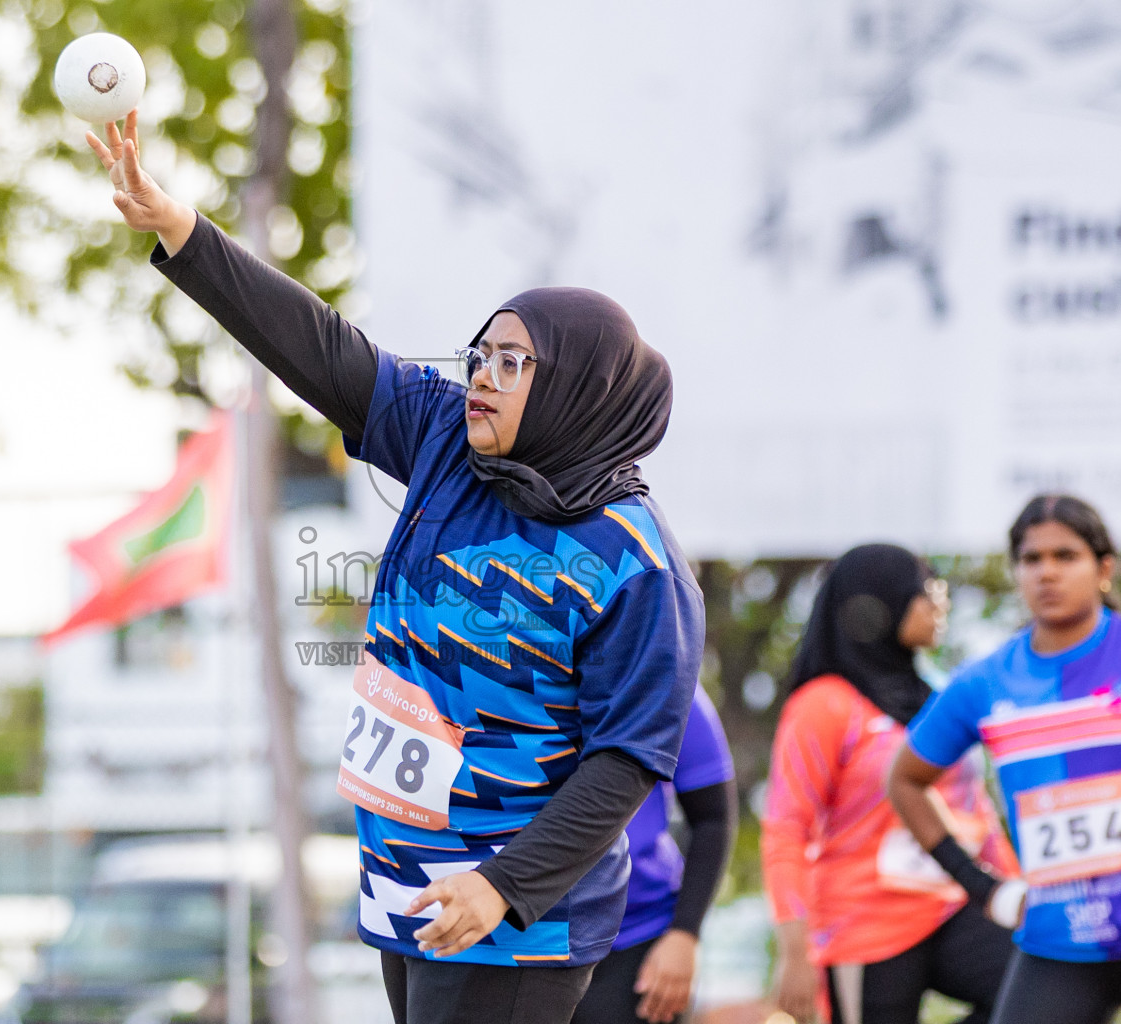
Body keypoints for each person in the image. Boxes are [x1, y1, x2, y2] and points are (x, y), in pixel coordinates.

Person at [86, 113, 705, 1024]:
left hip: (510, 915)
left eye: (513, 361)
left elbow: (627, 761)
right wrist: (183, 230)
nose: (482, 376)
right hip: (403, 887)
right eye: (479, 354)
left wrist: (503, 886)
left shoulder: (636, 563)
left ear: (578, 385)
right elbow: (323, 348)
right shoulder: (449, 442)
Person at [889, 494, 1121, 1024]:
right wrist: (989, 893)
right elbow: (904, 780)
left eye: (1066, 556)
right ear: (1016, 570)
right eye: (1031, 559)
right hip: (1059, 942)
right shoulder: (984, 682)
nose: (1047, 573)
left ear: (1104, 568)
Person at [762, 544, 1018, 1024]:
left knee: (1037, 982)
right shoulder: (825, 705)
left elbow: (976, 812)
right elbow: (786, 829)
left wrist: (1011, 889)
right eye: (925, 590)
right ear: (880, 606)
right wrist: (795, 952)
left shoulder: (940, 697)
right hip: (862, 926)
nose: (939, 602)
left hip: (953, 906)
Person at [572, 689, 737, 1024]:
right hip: (518, 936)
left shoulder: (670, 681)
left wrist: (685, 933)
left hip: (638, 941)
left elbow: (712, 818)